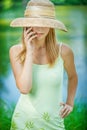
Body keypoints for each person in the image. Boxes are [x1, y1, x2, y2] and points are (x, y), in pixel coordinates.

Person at [9, 0, 78, 130]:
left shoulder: (64, 51)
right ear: (27, 25)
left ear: (51, 26)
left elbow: (73, 76)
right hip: (23, 122)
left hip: (54, 123)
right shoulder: (16, 51)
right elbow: (24, 88)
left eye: (44, 24)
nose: (39, 28)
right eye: (35, 23)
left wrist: (70, 102)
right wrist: (29, 52)